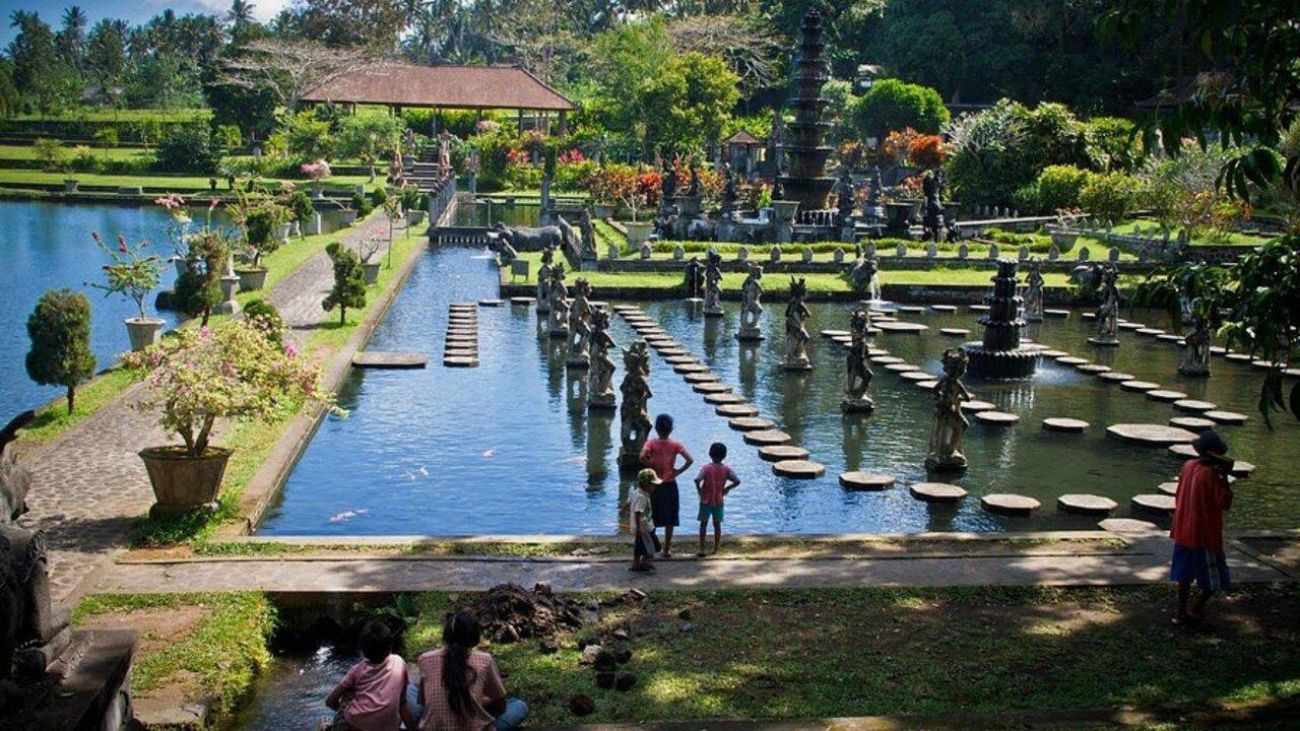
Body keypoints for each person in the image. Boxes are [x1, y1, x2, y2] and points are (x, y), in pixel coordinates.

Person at [409, 612, 529, 731]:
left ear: (446, 635)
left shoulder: (425, 659)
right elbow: (500, 705)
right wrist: (476, 701)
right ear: (475, 636)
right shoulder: (484, 660)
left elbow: (424, 702)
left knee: (411, 690)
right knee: (518, 705)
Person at [1169, 430, 1235, 628]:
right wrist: (1224, 476)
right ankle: (1196, 609)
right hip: (1203, 534)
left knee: (1184, 575)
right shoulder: (1211, 475)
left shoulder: (1188, 466)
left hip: (1183, 530)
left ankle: (1180, 612)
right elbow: (1225, 502)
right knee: (1215, 578)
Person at [322, 621, 415, 731]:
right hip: (390, 727)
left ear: (362, 650)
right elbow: (402, 703)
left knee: (349, 691)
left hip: (356, 725)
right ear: (390, 646)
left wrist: (344, 710)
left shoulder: (356, 670)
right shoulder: (399, 662)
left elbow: (330, 701)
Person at [639, 414, 694, 558]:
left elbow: (642, 456)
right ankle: (666, 549)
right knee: (670, 518)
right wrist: (678, 472)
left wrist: (651, 464)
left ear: (656, 428)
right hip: (670, 483)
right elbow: (690, 460)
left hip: (654, 484)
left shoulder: (651, 443)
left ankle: (650, 548)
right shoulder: (675, 444)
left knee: (651, 516)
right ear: (671, 429)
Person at [694, 442, 741, 557]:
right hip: (719, 500)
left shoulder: (706, 468)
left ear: (710, 454)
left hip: (705, 501)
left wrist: (699, 490)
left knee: (703, 524)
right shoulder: (726, 469)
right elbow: (737, 481)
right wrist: (727, 488)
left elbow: (697, 479)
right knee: (717, 525)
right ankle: (715, 548)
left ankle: (702, 548)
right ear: (724, 456)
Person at [629, 468, 661, 573]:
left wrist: (623, 510)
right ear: (645, 485)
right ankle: (642, 562)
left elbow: (629, 501)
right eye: (652, 485)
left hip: (642, 526)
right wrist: (639, 528)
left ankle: (639, 562)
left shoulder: (637, 492)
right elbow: (638, 512)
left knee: (641, 545)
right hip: (643, 527)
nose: (654, 487)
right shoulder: (641, 497)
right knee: (651, 545)